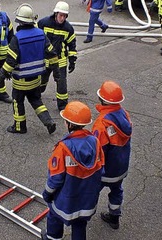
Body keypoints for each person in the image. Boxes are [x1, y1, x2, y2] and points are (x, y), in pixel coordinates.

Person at [42, 101, 104, 240]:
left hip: (66, 200)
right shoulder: (95, 142)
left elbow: (56, 178)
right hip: (87, 200)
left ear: (69, 124)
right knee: (79, 224)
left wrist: (47, 194)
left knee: (53, 216)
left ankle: (52, 237)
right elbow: (101, 169)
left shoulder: (63, 148)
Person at [0, 4, 58, 134]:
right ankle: (48, 122)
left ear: (19, 21)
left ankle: (19, 127)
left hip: (21, 81)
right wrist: (53, 70)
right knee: (36, 101)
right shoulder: (41, 34)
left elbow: (10, 61)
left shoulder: (17, 38)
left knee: (17, 102)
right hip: (36, 79)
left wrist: (2, 74)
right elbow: (52, 54)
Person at [91, 81, 132, 230]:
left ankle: (86, 215)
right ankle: (114, 218)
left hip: (105, 170)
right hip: (121, 167)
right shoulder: (124, 115)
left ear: (101, 99)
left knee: (92, 191)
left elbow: (97, 150)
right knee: (116, 190)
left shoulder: (101, 124)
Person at [38, 1, 77, 111]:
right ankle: (37, 96)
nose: (62, 18)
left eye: (65, 16)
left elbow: (72, 45)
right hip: (45, 60)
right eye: (61, 15)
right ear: (56, 13)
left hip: (60, 61)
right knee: (41, 81)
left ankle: (62, 106)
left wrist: (72, 61)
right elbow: (36, 38)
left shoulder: (68, 28)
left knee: (62, 85)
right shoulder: (43, 23)